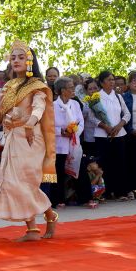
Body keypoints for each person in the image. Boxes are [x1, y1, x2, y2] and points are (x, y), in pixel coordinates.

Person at [0, 40, 60, 240]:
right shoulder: (10, 85)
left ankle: (50, 216)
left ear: (29, 61)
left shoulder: (36, 85)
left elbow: (39, 108)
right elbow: (2, 114)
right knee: (14, 182)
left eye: (21, 57)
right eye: (13, 58)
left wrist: (30, 123)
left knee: (25, 183)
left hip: (30, 137)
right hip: (13, 137)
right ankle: (32, 229)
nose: (16, 61)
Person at [93, 70, 131, 200]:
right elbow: (92, 118)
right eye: (109, 80)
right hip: (102, 135)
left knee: (120, 163)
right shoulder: (96, 97)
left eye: (113, 79)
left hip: (119, 134)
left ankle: (121, 192)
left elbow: (127, 114)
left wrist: (120, 125)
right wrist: (105, 127)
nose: (112, 82)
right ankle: (105, 192)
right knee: (105, 164)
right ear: (102, 82)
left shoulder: (118, 97)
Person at [52, 76, 84, 208]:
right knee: (58, 171)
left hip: (74, 142)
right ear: (63, 90)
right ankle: (58, 199)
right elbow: (48, 126)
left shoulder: (75, 104)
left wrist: (75, 132)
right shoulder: (52, 106)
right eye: (71, 87)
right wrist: (62, 132)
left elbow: (81, 122)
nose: (73, 90)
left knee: (79, 169)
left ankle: (84, 197)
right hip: (59, 143)